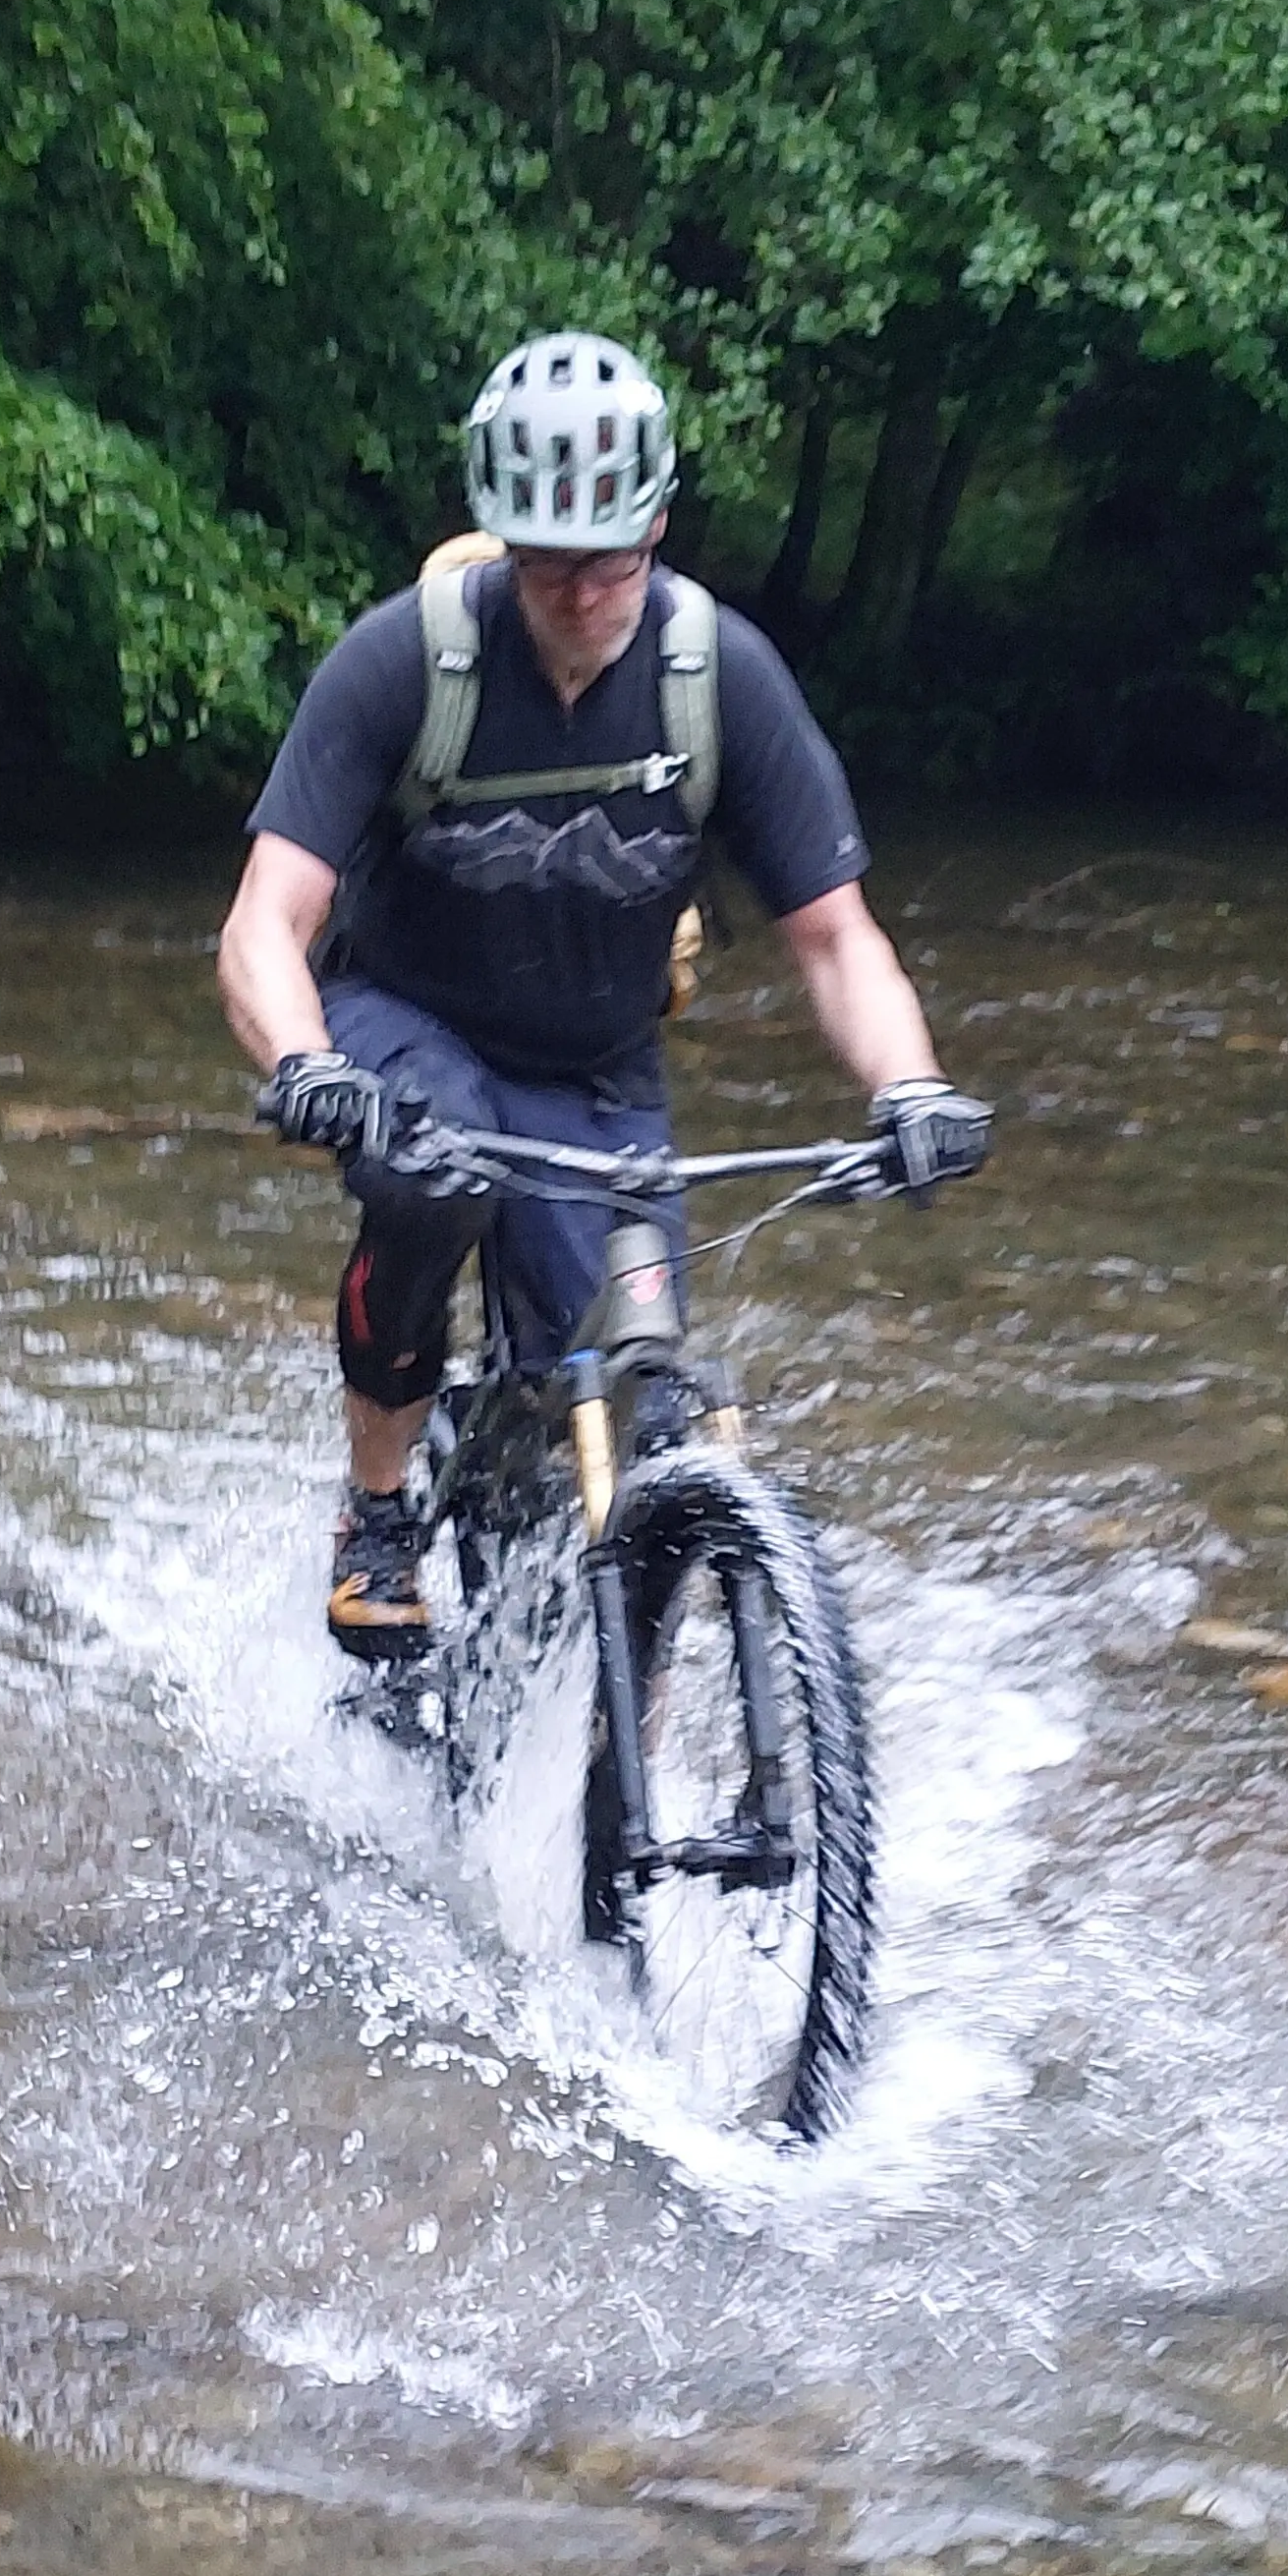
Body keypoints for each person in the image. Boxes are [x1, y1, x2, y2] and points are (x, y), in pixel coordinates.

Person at [217, 330, 985, 1655]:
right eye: (547, 561)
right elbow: (263, 924)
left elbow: (837, 939)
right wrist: (305, 1064)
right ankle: (380, 1503)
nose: (580, 593)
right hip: (407, 1025)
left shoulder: (717, 674)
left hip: (595, 1069)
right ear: (500, 541)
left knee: (634, 1390)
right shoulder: (408, 661)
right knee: (431, 1177)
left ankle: (599, 1753)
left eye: (611, 559)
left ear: (660, 526)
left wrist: (908, 1088)